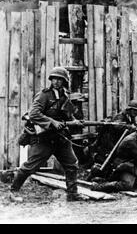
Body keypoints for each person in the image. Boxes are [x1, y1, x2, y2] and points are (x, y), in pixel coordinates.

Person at [9, 67, 86, 202]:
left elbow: (68, 115)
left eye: (59, 79)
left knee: (72, 164)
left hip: (60, 138)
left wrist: (75, 122)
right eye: (54, 79)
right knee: (30, 166)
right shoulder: (44, 95)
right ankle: (13, 191)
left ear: (64, 81)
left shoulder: (65, 95)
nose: (56, 82)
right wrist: (52, 122)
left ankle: (72, 194)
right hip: (43, 138)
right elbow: (33, 114)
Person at [91, 119, 137, 193]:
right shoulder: (131, 140)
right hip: (122, 165)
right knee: (127, 185)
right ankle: (99, 186)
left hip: (132, 163)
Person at [91, 100, 137, 164]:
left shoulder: (131, 117)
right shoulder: (120, 116)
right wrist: (131, 127)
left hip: (119, 142)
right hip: (112, 143)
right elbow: (117, 126)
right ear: (130, 109)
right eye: (135, 110)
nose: (136, 113)